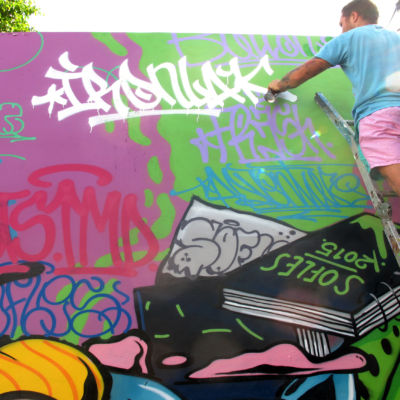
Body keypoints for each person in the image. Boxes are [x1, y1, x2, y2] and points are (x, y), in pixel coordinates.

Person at [267, 0, 400, 197]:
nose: (342, 29)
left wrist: (279, 85)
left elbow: (309, 69)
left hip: (379, 115)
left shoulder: (349, 38)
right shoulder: (395, 37)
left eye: (341, 23)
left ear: (354, 16)